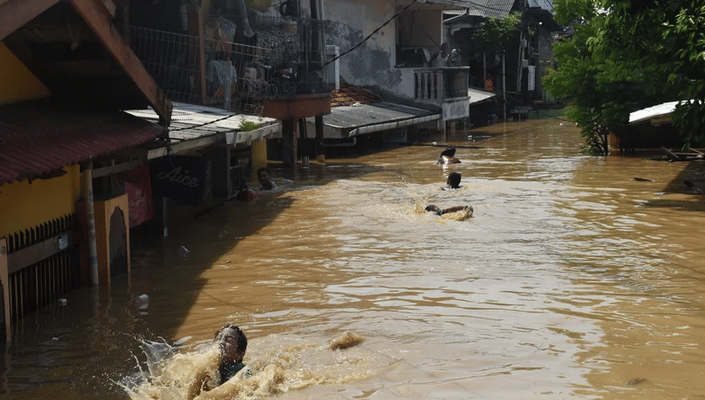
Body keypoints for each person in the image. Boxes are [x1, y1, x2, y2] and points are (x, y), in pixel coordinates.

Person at [187, 324, 253, 399]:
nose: (221, 342)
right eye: (219, 338)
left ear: (240, 354)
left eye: (229, 340)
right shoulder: (210, 368)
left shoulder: (243, 372)